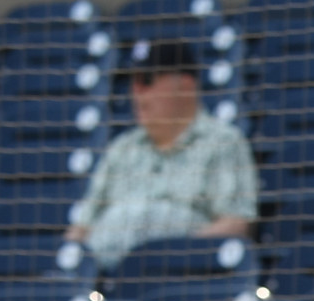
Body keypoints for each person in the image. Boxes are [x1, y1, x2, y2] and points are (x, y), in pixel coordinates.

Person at [65, 38, 257, 271]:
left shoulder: (223, 142)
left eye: (147, 80)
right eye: (132, 82)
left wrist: (169, 257)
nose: (137, 92)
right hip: (105, 278)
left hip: (181, 277)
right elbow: (81, 228)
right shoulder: (122, 147)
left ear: (185, 85)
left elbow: (236, 224)